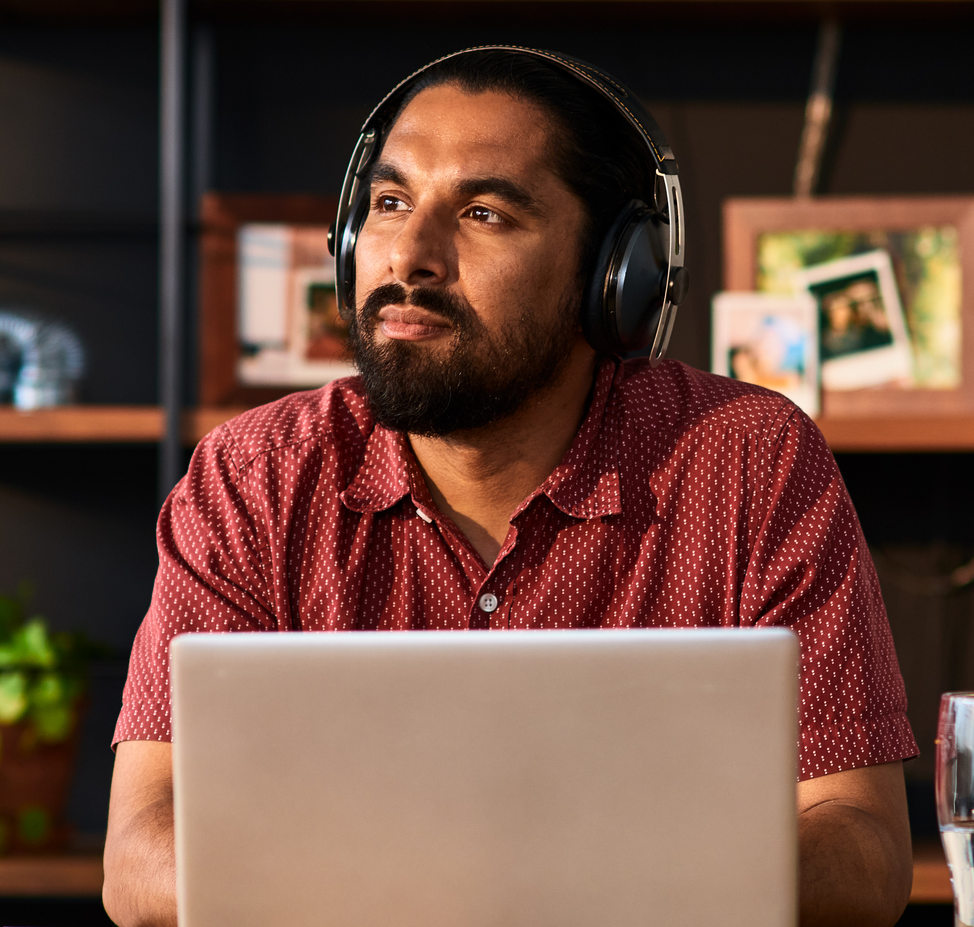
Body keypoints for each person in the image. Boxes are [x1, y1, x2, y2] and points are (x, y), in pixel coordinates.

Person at [101, 49, 918, 927]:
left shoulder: (747, 463)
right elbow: (141, 858)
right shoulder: (255, 475)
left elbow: (863, 851)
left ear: (614, 276)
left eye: (483, 213)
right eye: (388, 202)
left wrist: (493, 874)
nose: (409, 256)